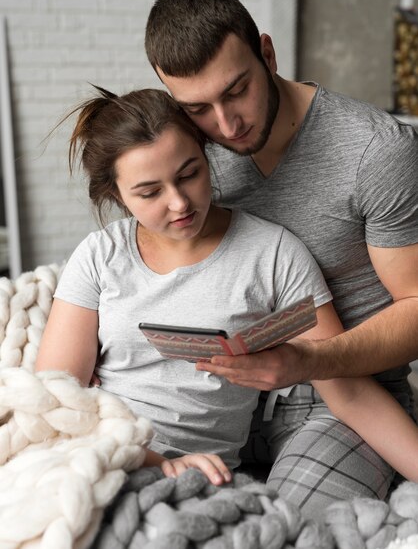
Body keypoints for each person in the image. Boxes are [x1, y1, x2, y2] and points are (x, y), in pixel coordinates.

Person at [35, 87, 418, 519]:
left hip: (205, 480)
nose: (179, 203)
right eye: (149, 192)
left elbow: (347, 391)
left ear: (206, 153)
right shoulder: (100, 255)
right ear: (117, 194)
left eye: (189, 174)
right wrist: (155, 463)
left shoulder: (273, 253)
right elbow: (55, 402)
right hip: (107, 455)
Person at [144, 0, 418, 510]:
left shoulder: (376, 151)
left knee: (285, 527)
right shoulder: (193, 157)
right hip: (220, 400)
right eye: (198, 108)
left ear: (267, 53)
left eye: (237, 90)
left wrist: (307, 362)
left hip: (344, 395)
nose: (226, 124)